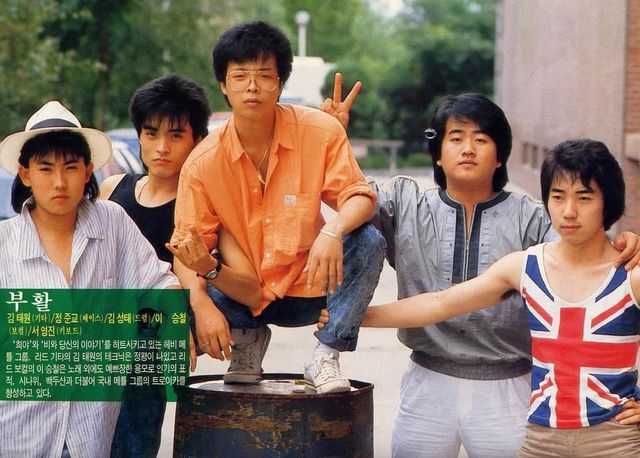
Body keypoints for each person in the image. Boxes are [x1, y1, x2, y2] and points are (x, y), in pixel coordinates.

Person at [322, 82, 640, 456]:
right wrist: (332, 141)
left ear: (501, 155)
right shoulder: (405, 204)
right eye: (456, 138)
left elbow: (582, 244)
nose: (468, 149)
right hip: (427, 378)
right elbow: (353, 202)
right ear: (437, 154)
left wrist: (624, 241)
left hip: (510, 384)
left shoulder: (532, 219)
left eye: (481, 139)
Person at [168, 21, 386, 394]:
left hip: (312, 290)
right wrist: (200, 304)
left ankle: (326, 355)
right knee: (173, 308)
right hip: (241, 296)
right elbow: (187, 249)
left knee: (367, 240)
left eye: (264, 75)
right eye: (240, 76)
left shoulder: (320, 131)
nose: (252, 86)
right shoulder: (202, 163)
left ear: (280, 83)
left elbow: (360, 197)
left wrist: (332, 231)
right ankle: (246, 340)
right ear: (223, 85)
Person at [0, 100, 180, 458]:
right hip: (19, 433)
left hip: (90, 434)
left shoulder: (112, 223)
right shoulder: (4, 244)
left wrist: (175, 321)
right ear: (25, 174)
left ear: (87, 171)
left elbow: (157, 282)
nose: (59, 182)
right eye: (45, 168)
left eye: (70, 167)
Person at [99, 74, 261, 457]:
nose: (161, 148)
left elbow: (249, 285)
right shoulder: (112, 191)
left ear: (197, 141)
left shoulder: (208, 206)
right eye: (151, 133)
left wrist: (198, 301)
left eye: (175, 136)